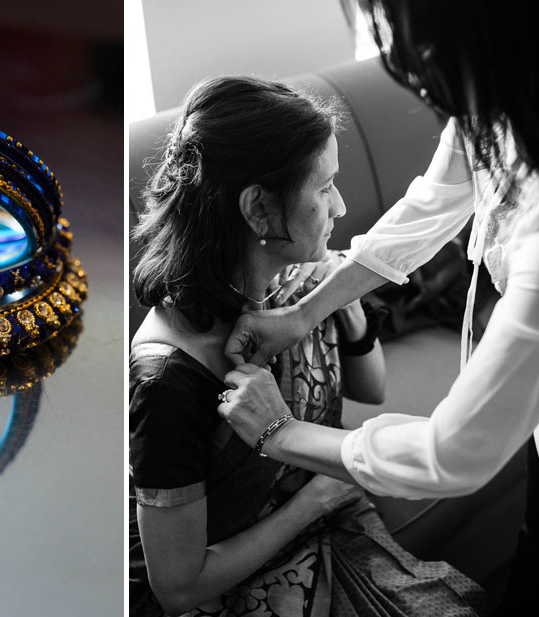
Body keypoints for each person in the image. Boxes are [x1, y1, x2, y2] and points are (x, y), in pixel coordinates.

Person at [219, 0, 539, 612]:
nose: (400, 62)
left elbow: (452, 452)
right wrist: (303, 314)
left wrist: (279, 434)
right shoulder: (502, 105)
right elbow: (432, 206)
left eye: (413, 42)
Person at [129, 75, 484, 616]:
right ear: (258, 210)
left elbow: (371, 386)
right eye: (323, 188)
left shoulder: (291, 284)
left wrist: (340, 301)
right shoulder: (168, 377)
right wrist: (313, 498)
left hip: (324, 509)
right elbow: (178, 589)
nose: (340, 208)